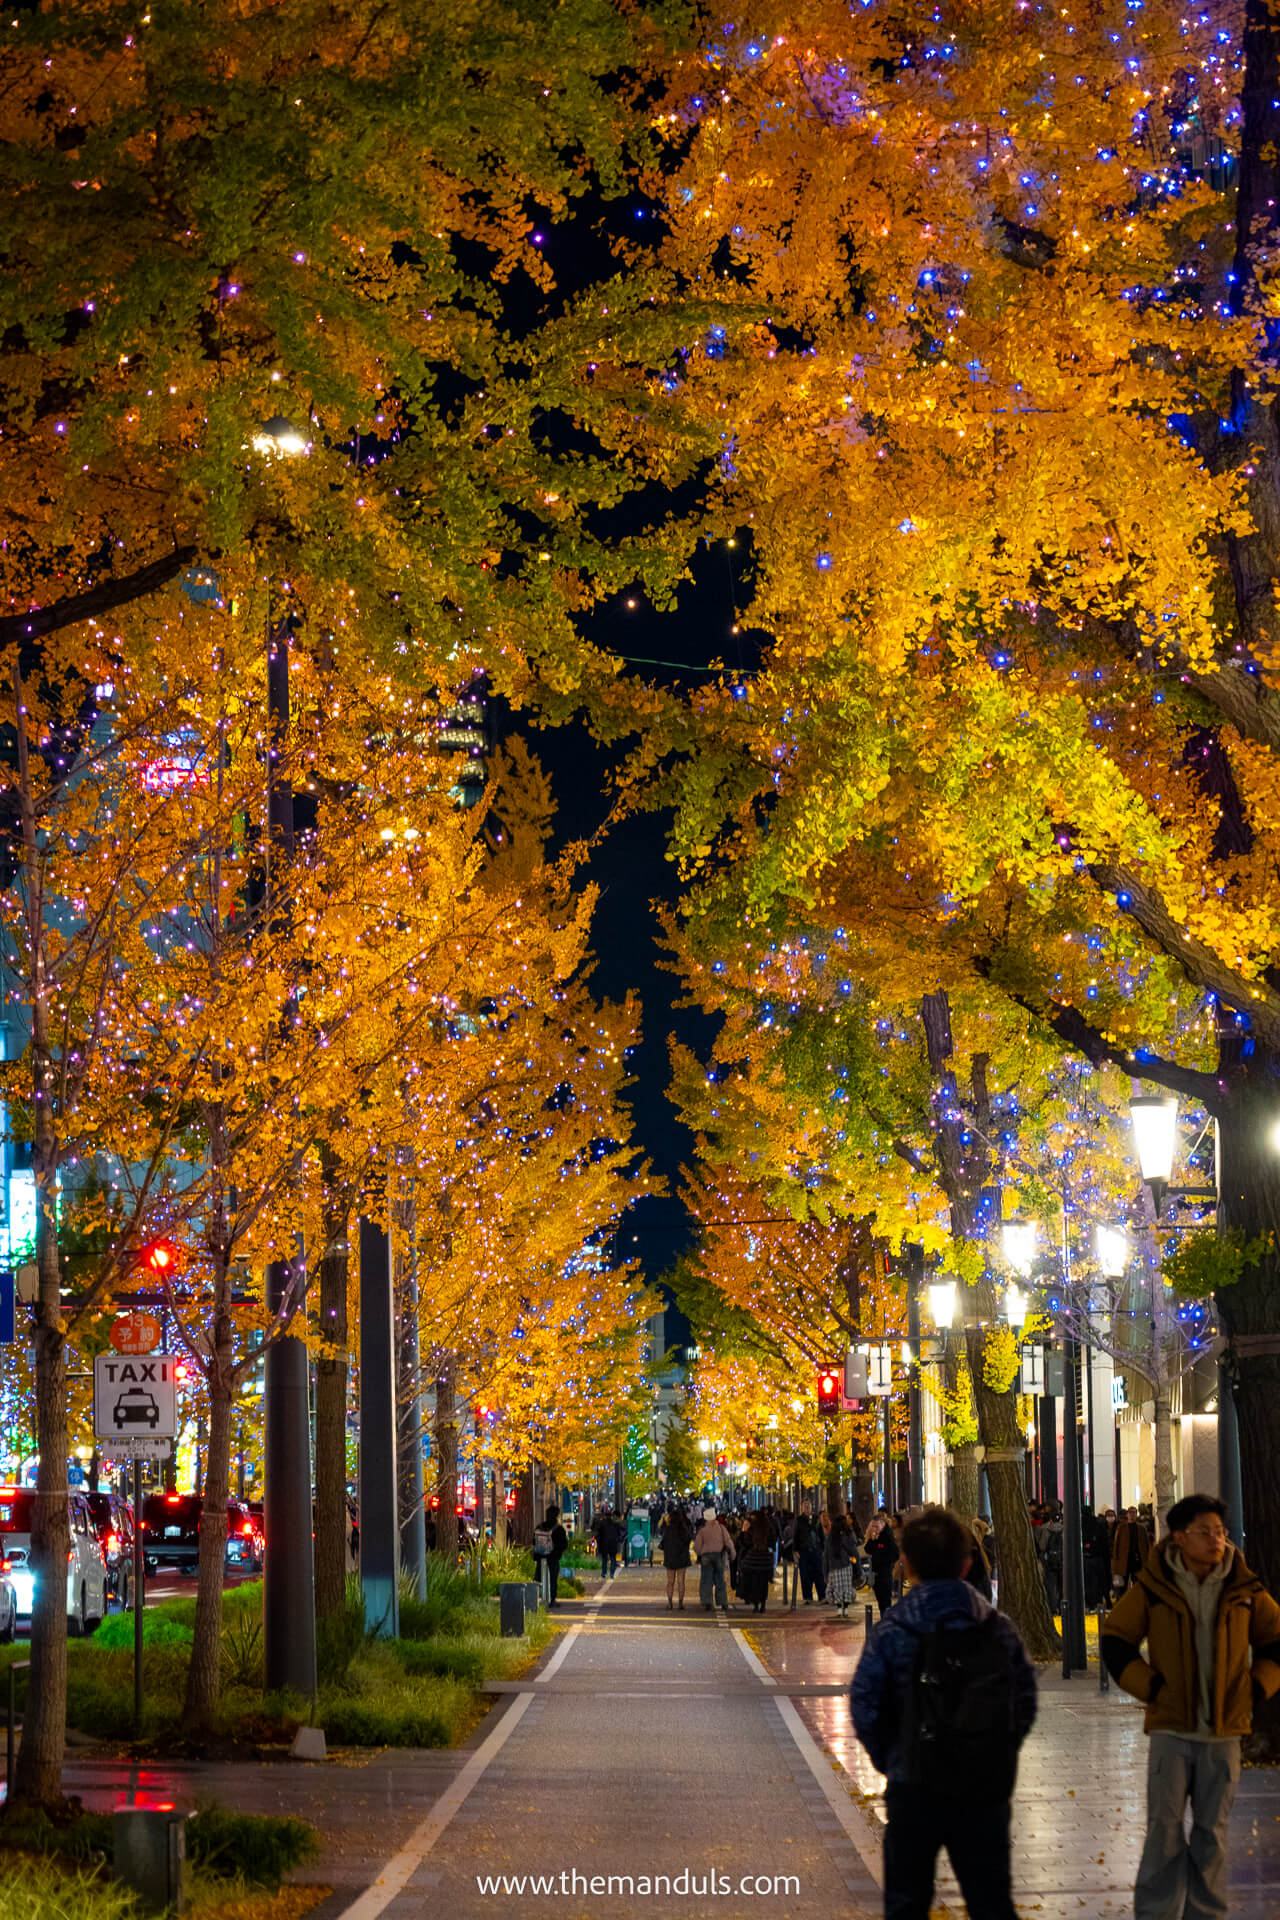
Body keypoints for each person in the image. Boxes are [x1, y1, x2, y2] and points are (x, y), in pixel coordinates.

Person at [851, 1505, 1037, 1920]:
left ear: (907, 1563)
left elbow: (865, 1702)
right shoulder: (996, 1628)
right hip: (983, 1785)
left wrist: (893, 1758)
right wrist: (997, 1750)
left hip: (914, 1782)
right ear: (967, 1563)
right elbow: (1024, 1698)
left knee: (907, 1901)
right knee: (991, 1901)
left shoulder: (895, 1629)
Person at [1102, 1493, 1280, 1920]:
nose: (1216, 1540)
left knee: (1212, 1835)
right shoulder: (1155, 1585)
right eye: (1206, 1532)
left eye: (1220, 1531)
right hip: (1171, 1732)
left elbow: (1275, 1642)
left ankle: (1206, 1914)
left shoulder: (1244, 1586)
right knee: (1163, 1833)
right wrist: (1151, 1687)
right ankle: (1157, 1913)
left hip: (1225, 1732)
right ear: (1180, 1537)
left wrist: (1256, 1689)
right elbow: (1116, 1640)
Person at [693, 1505, 735, 1613]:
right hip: (718, 1555)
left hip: (706, 1556)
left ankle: (708, 1602)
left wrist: (699, 1553)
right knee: (720, 1579)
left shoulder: (702, 1531)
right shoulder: (721, 1528)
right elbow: (728, 1541)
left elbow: (697, 1546)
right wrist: (732, 1553)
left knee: (706, 1580)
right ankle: (723, 1602)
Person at [1112, 1504, 1152, 1596]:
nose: (1132, 1515)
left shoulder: (1141, 1528)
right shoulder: (1121, 1528)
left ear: (1136, 1514)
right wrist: (1116, 1559)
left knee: (1137, 1584)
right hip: (1124, 1560)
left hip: (1138, 1560)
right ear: (1127, 1514)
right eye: (1130, 1513)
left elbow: (1146, 1545)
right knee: (1122, 1585)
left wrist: (1147, 1559)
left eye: (1134, 1512)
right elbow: (1116, 1544)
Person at [739, 1513, 775, 1615]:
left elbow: (746, 1542)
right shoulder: (768, 1527)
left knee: (755, 1583)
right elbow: (772, 1541)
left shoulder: (752, 1528)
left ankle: (755, 1605)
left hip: (753, 1560)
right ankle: (763, 1604)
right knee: (764, 1584)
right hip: (765, 1560)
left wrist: (744, 1533)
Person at [661, 1504, 693, 1611]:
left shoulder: (668, 1530)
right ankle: (680, 1603)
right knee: (681, 1581)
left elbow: (663, 1544)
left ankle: (670, 1603)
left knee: (670, 1581)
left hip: (670, 1557)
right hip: (682, 1558)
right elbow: (688, 1541)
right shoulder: (683, 1529)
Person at [866, 1514, 899, 1618]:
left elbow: (895, 1554)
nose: (875, 1528)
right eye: (873, 1526)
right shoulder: (876, 1536)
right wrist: (872, 1539)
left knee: (885, 1600)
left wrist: (886, 1562)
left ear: (883, 1524)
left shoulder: (888, 1535)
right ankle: (883, 1618)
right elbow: (868, 1549)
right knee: (880, 1600)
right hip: (876, 1573)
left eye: (877, 1526)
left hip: (885, 1573)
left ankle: (886, 1620)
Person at [826, 1509, 857, 1618]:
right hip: (846, 1565)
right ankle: (846, 1609)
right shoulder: (848, 1534)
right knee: (846, 1587)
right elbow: (853, 1551)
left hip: (834, 1567)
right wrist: (856, 1564)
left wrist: (826, 1570)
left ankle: (839, 1608)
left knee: (837, 1588)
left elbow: (827, 1554)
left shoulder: (831, 1537)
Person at [595, 1507, 621, 1580]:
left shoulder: (602, 1523)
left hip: (604, 1544)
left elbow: (599, 1534)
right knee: (613, 1559)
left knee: (604, 1559)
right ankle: (612, 1574)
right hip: (613, 1544)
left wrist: (598, 1542)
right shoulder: (615, 1524)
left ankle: (604, 1573)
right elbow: (619, 1533)